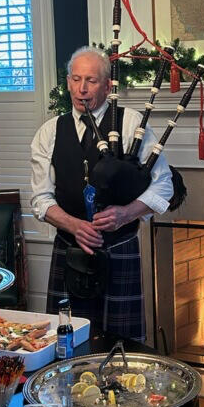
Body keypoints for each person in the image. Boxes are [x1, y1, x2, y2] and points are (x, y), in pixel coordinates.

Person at [31, 46, 173, 343]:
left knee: (122, 347)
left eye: (91, 81)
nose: (81, 89)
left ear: (108, 86)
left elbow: (163, 186)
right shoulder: (49, 131)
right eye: (76, 79)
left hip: (118, 248)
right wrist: (74, 226)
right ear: (68, 82)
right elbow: (41, 199)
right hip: (69, 250)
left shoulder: (131, 124)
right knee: (68, 344)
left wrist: (126, 213)